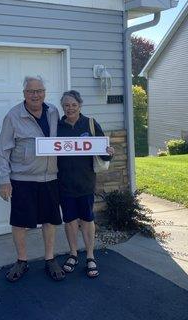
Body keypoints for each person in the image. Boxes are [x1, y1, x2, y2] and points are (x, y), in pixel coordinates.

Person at [0, 76, 65, 282]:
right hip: (22, 179)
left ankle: (50, 259)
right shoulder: (13, 116)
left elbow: (63, 141)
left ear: (44, 92)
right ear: (24, 93)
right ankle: (22, 261)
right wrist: (4, 179)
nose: (35, 95)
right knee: (19, 222)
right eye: (31, 91)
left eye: (39, 91)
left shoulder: (53, 111)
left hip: (49, 178)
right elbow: (2, 150)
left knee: (50, 220)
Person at [57, 90, 114, 278]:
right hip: (64, 184)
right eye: (66, 105)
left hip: (86, 182)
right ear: (62, 107)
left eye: (73, 104)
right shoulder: (57, 127)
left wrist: (109, 152)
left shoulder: (90, 123)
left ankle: (90, 255)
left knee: (87, 220)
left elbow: (103, 152)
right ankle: (73, 253)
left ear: (80, 105)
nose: (70, 108)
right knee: (70, 220)